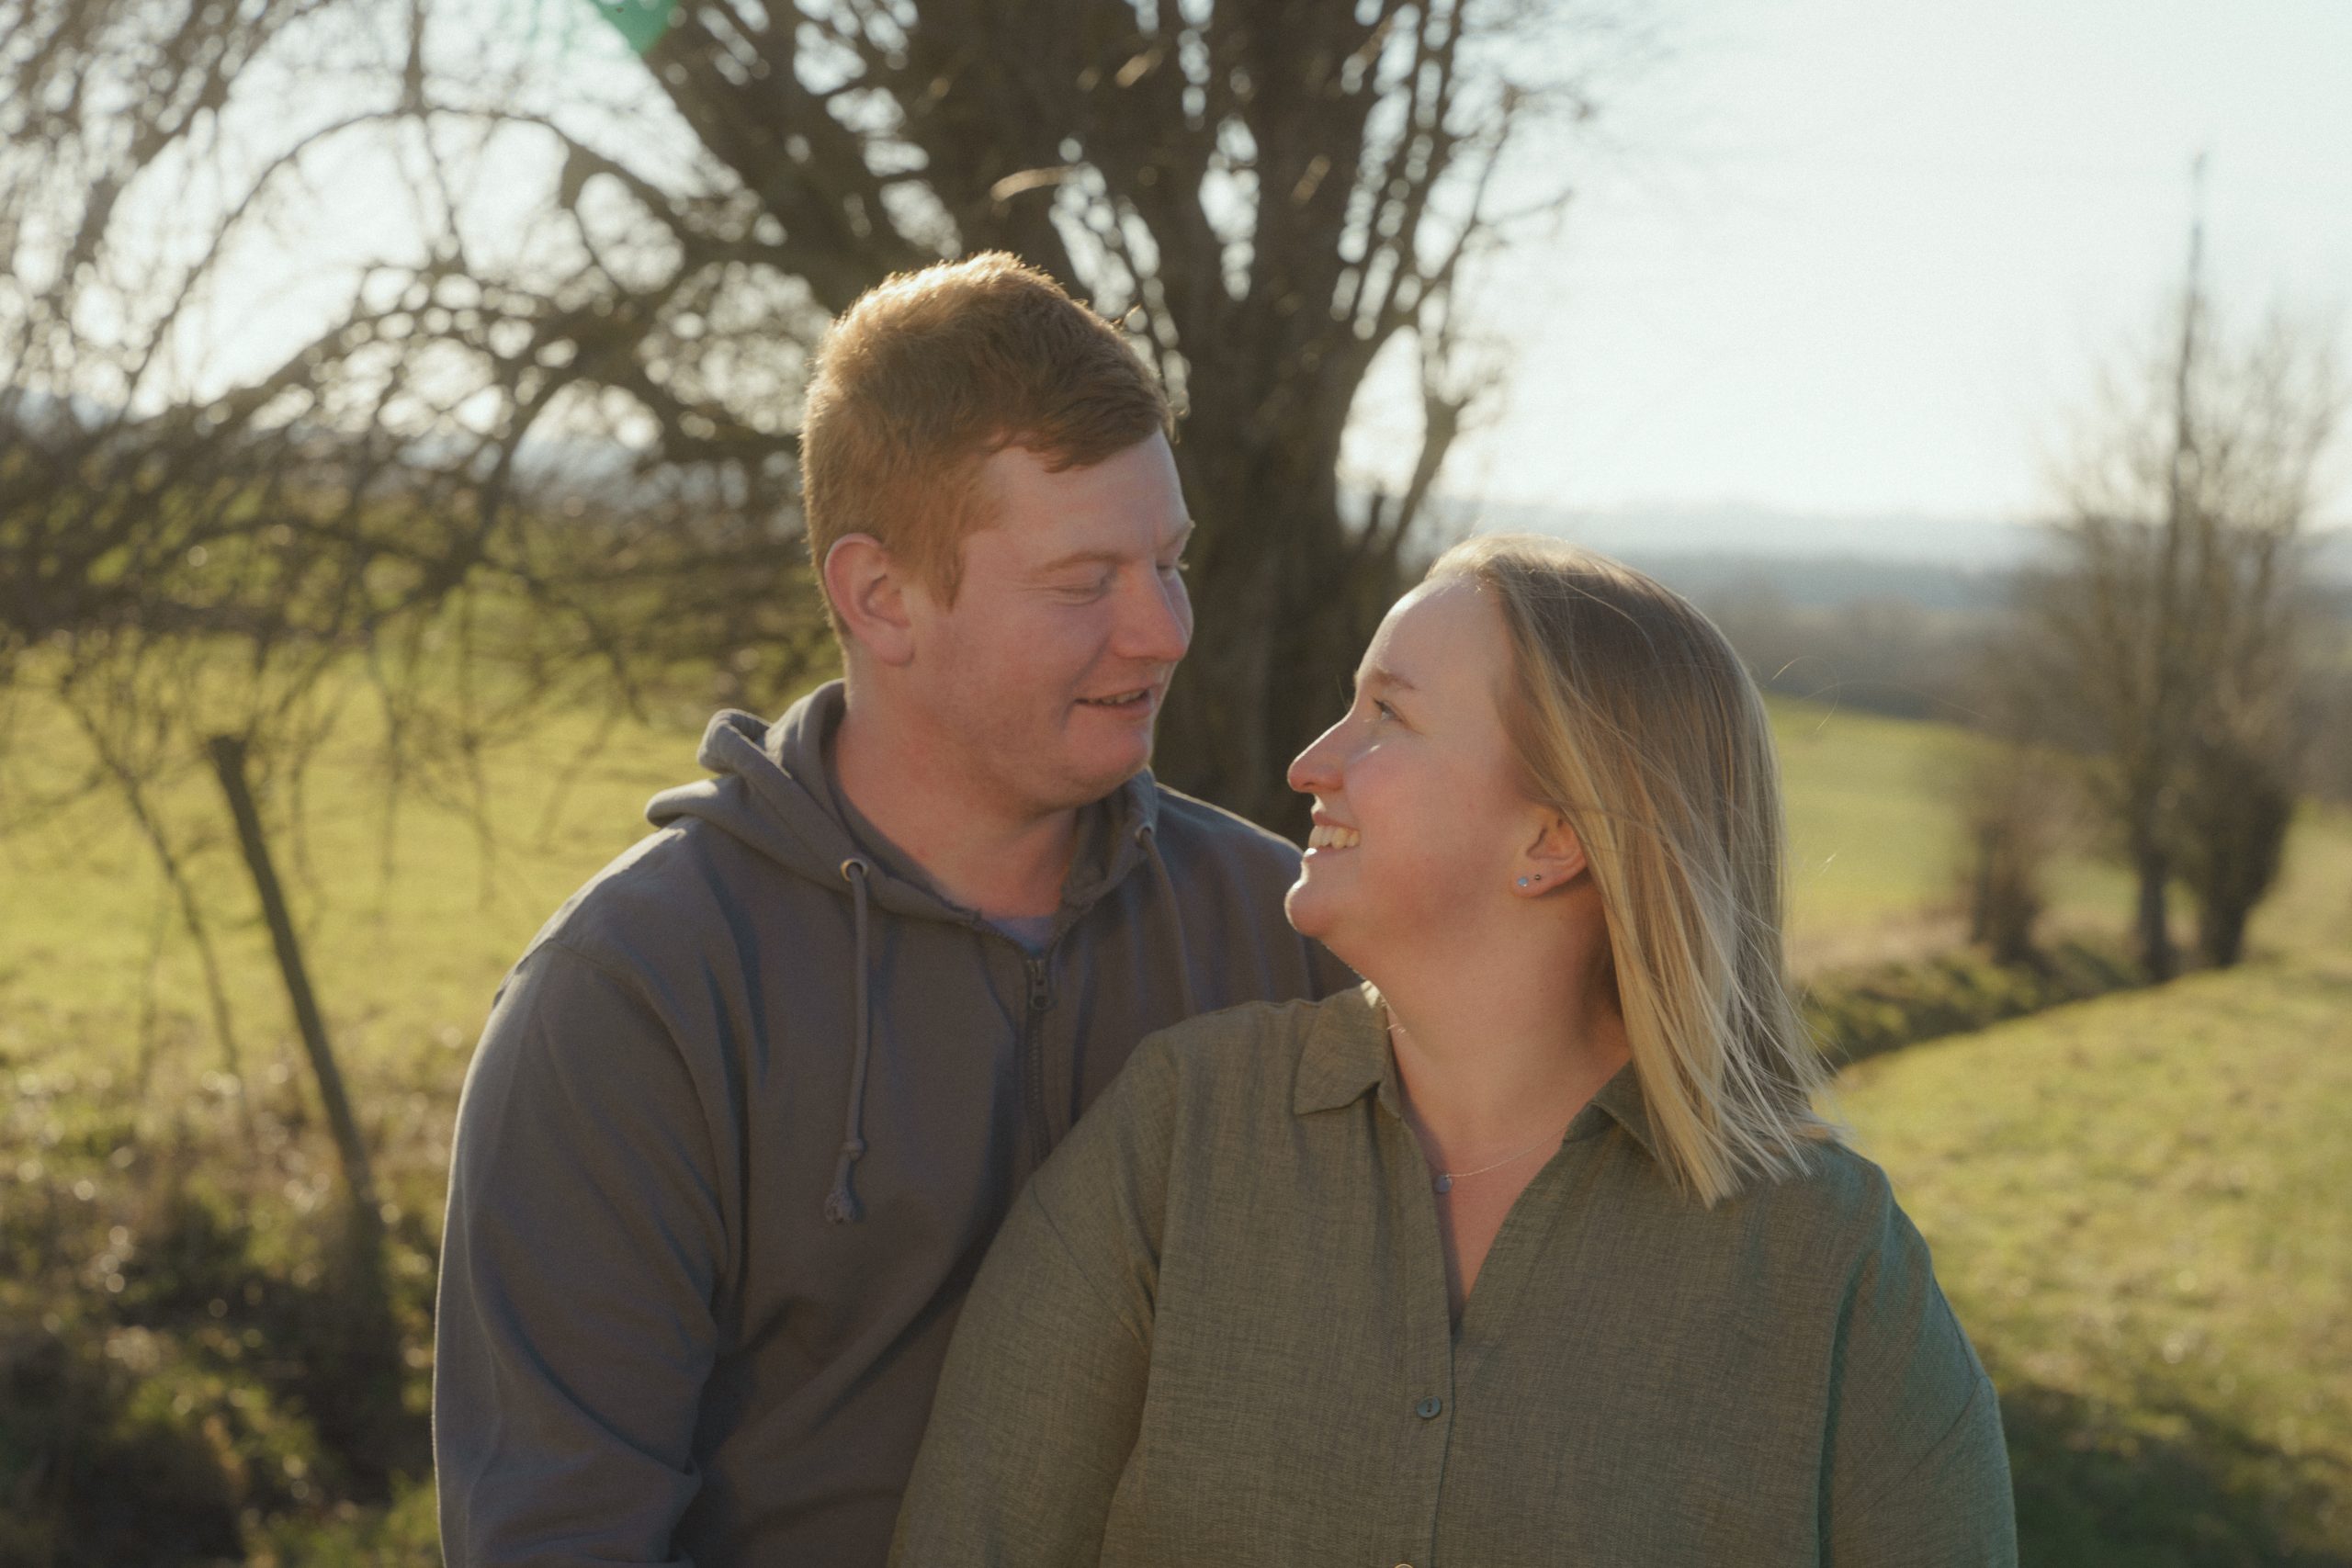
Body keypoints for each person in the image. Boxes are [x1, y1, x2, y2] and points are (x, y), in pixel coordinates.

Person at [433, 253, 1351, 1567]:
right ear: (880, 596)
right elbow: (557, 1533)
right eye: (1085, 580)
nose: (1162, 631)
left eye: (1170, 561)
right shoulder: (639, 996)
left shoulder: (1288, 933)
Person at [892, 535, 2018, 1566]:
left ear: (1551, 838)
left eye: (1386, 713)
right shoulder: (1184, 1136)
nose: (1310, 763)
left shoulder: (1828, 1265)